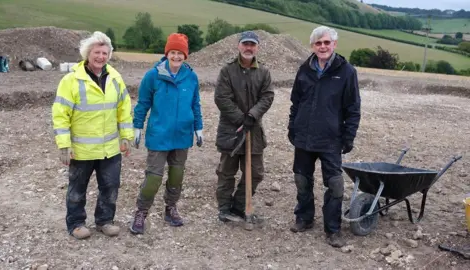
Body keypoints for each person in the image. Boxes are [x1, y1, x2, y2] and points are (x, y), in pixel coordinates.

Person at [51, 31, 134, 239]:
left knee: (110, 187)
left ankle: (105, 220)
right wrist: (64, 145)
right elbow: (60, 115)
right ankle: (76, 223)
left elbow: (124, 109)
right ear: (88, 53)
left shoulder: (115, 78)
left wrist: (126, 136)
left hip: (110, 149)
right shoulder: (71, 80)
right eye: (97, 52)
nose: (101, 57)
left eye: (105, 53)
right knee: (77, 189)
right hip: (82, 150)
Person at [287, 26, 361, 248]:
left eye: (326, 42)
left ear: (334, 44)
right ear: (312, 46)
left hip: (331, 139)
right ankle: (304, 218)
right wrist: (293, 128)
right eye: (318, 43)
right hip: (304, 138)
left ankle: (333, 229)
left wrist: (348, 137)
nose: (323, 47)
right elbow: (295, 102)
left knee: (335, 185)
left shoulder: (347, 72)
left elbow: (353, 108)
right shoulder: (304, 69)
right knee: (302, 180)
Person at [130, 33, 203, 234]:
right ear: (167, 53)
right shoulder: (153, 75)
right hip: (159, 136)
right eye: (173, 52)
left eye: (180, 53)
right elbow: (143, 103)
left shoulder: (191, 77)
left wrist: (198, 127)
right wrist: (137, 126)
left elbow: (195, 104)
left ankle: (170, 208)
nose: (176, 57)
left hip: (182, 135)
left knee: (177, 175)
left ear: (185, 55)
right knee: (154, 177)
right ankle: (141, 212)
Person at [214, 31, 274, 223]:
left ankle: (239, 206)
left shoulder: (263, 72)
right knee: (226, 171)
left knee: (255, 172)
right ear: (239, 46)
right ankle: (224, 210)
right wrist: (241, 118)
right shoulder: (227, 71)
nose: (249, 48)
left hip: (254, 130)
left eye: (252, 45)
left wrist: (252, 116)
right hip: (231, 130)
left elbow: (268, 96)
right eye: (245, 44)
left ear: (257, 47)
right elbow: (221, 98)